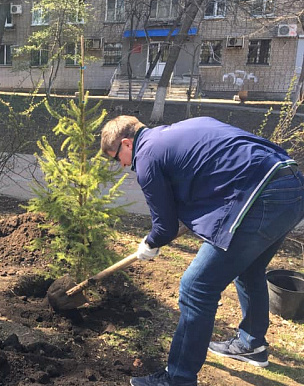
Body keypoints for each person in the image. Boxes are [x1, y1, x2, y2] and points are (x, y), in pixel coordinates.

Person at [100, 115, 304, 386]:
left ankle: (178, 378)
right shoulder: (177, 133)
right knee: (248, 267)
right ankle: (251, 344)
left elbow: (164, 226)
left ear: (127, 143)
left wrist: (149, 244)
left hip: (259, 195)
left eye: (118, 158)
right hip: (291, 184)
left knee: (195, 288)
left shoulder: (146, 155)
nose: (124, 165)